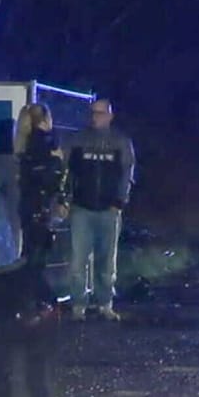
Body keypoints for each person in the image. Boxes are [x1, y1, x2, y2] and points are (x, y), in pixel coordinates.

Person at [65, 98, 136, 320]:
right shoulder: (77, 140)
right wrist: (65, 198)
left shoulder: (121, 141)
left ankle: (105, 303)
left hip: (109, 209)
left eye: (101, 113)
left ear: (110, 116)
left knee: (106, 260)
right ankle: (78, 305)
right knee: (78, 260)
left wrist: (119, 202)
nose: (96, 117)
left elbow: (127, 172)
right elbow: (66, 171)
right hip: (81, 208)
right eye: (93, 113)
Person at [17, 103, 68, 271]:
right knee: (40, 252)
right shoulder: (46, 142)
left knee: (30, 248)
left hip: (28, 203)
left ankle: (28, 288)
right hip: (42, 203)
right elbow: (51, 176)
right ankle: (36, 289)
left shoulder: (23, 141)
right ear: (46, 118)